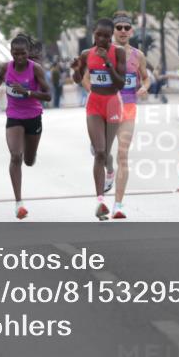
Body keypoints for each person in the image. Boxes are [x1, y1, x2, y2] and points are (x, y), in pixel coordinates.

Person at [0, 34, 51, 219]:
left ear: (28, 53)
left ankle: (32, 154)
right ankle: (19, 203)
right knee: (15, 156)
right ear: (11, 52)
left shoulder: (35, 69)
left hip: (33, 116)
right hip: (14, 116)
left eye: (22, 54)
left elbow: (48, 96)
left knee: (28, 160)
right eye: (15, 54)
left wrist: (27, 92)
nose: (19, 57)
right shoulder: (7, 67)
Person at [71, 18, 126, 220]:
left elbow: (120, 83)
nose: (102, 39)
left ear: (111, 36)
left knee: (105, 152)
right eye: (98, 35)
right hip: (94, 103)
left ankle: (110, 171)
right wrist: (77, 69)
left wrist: (109, 63)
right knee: (100, 152)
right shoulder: (86, 54)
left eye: (106, 35)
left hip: (112, 103)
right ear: (93, 34)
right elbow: (78, 80)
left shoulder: (118, 52)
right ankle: (100, 201)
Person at [109, 11, 149, 219]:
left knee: (123, 155)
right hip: (106, 108)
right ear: (113, 31)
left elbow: (146, 78)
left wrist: (144, 88)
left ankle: (118, 204)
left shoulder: (138, 55)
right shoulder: (102, 52)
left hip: (128, 108)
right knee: (102, 153)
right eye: (119, 28)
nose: (123, 31)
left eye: (127, 28)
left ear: (131, 31)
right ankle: (107, 169)